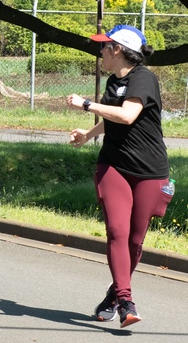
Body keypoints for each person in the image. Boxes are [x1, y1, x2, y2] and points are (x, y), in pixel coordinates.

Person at [66, 24, 171, 329]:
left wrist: (86, 105)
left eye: (104, 47)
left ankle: (112, 296)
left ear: (118, 50)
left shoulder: (144, 79)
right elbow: (113, 117)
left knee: (135, 241)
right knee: (117, 231)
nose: (100, 52)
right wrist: (89, 134)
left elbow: (127, 115)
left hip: (150, 171)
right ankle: (126, 300)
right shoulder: (114, 81)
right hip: (113, 166)